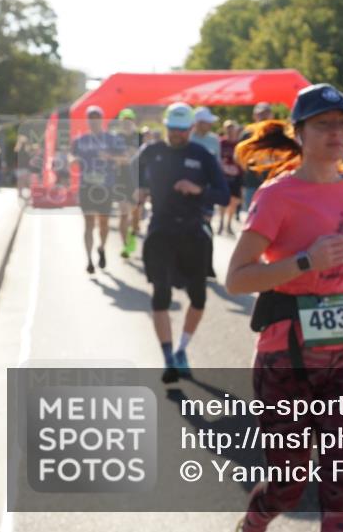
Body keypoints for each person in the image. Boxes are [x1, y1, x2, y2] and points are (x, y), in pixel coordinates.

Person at [226, 84, 343, 532]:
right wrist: (305, 261)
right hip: (286, 359)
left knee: (341, 484)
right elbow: (237, 278)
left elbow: (342, 240)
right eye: (323, 125)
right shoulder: (276, 195)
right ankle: (253, 523)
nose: (336, 133)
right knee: (288, 485)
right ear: (299, 132)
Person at [137, 103, 229, 383]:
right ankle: (168, 358)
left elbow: (223, 195)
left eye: (182, 129)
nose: (176, 134)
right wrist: (138, 190)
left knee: (198, 298)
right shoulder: (151, 151)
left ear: (191, 128)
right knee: (160, 295)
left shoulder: (202, 155)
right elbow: (132, 175)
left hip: (193, 233)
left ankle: (181, 349)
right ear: (165, 126)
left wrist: (198, 190)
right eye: (172, 128)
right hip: (161, 233)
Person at [71, 105, 125, 274]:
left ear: (102, 120)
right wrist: (72, 160)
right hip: (86, 186)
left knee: (103, 222)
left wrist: (110, 157)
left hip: (106, 186)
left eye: (96, 118)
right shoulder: (80, 140)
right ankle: (89, 260)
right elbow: (71, 155)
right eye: (91, 118)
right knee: (88, 223)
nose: (94, 121)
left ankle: (101, 248)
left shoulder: (112, 139)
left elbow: (124, 159)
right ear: (87, 121)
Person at [190, 106, 222, 278]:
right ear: (198, 123)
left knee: (207, 228)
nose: (210, 125)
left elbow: (217, 166)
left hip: (207, 191)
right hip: (188, 192)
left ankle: (207, 265)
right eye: (207, 122)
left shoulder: (213, 140)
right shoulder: (188, 139)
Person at [112, 108, 141, 259]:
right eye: (124, 120)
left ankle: (133, 235)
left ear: (133, 121)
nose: (127, 123)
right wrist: (123, 157)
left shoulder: (140, 136)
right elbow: (112, 158)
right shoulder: (116, 138)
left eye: (129, 120)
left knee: (136, 216)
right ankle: (125, 246)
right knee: (124, 214)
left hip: (137, 180)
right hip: (121, 180)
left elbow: (144, 157)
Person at [240, 102, 274, 212]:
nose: (263, 117)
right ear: (254, 116)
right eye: (260, 114)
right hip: (252, 183)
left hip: (273, 183)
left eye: (266, 113)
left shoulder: (278, 134)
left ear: (271, 115)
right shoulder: (247, 135)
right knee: (253, 216)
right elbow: (239, 157)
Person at [218, 120, 244, 235]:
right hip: (223, 176)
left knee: (234, 201)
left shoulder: (239, 144)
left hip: (236, 176)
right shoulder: (221, 143)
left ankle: (228, 224)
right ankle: (221, 223)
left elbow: (243, 160)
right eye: (228, 129)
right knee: (222, 200)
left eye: (232, 129)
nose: (230, 131)